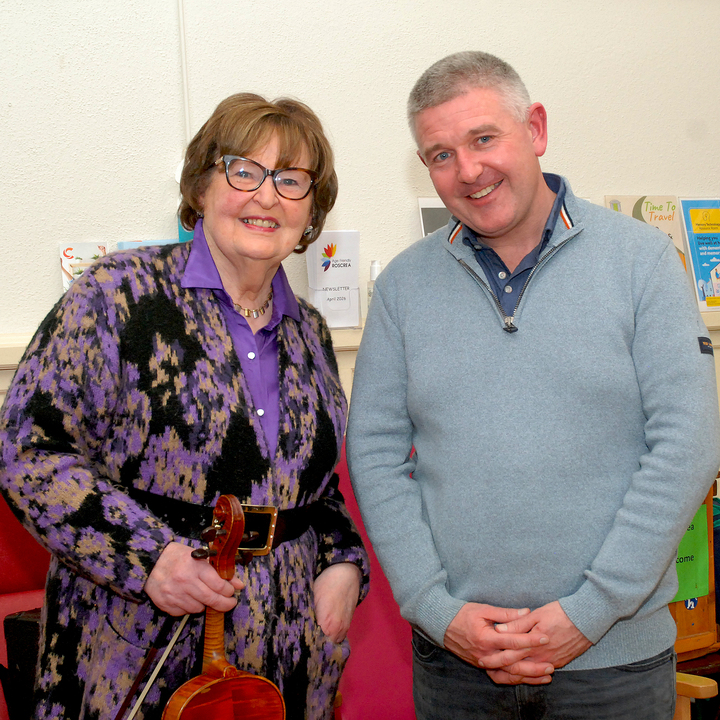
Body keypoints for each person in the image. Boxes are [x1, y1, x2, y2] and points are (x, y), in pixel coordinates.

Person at [345, 51, 720, 719]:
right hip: (455, 667)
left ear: (536, 129)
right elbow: (374, 453)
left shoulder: (642, 262)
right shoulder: (403, 286)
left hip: (613, 669)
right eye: (440, 155)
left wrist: (592, 610)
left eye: (483, 138)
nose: (468, 170)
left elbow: (688, 444)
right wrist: (435, 608)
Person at [0, 92, 369, 720]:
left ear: (312, 211)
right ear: (201, 186)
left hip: (287, 662)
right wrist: (149, 559)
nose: (267, 196)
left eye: (291, 179)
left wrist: (342, 563)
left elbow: (311, 488)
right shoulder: (115, 296)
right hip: (134, 647)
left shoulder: (309, 329)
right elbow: (28, 454)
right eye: (244, 171)